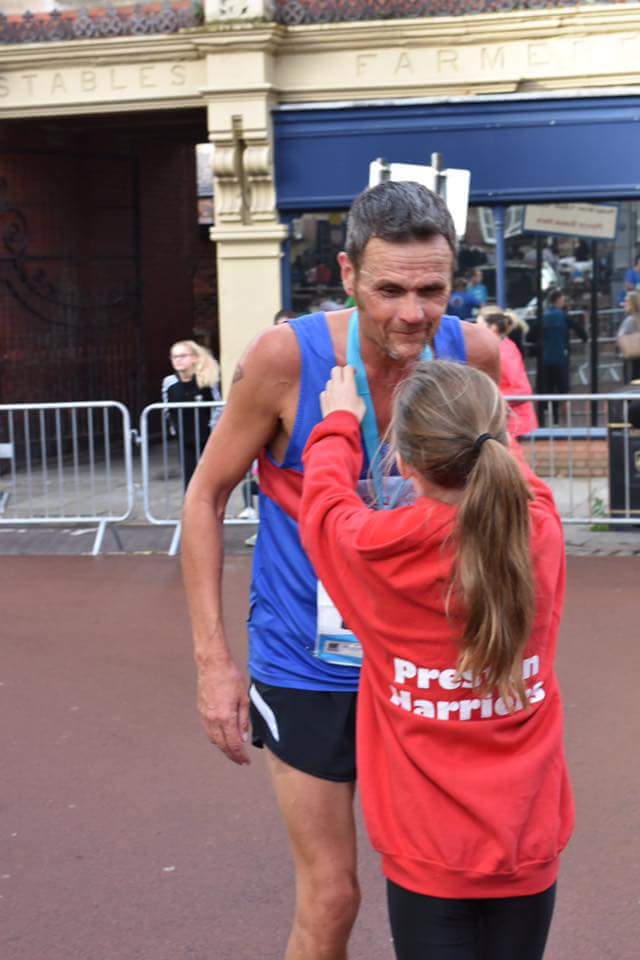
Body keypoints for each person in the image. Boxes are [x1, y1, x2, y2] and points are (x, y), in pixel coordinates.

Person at [181, 180, 500, 960]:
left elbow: (504, 514)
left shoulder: (475, 354)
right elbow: (205, 496)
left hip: (424, 668)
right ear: (349, 275)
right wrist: (213, 662)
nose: (412, 314)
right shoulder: (288, 357)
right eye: (389, 288)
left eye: (432, 289)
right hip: (307, 662)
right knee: (331, 897)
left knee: (448, 886)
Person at [298, 361, 573, 960]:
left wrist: (340, 423)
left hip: (426, 847)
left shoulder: (374, 550)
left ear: (403, 459)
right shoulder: (541, 528)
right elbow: (508, 469)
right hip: (527, 834)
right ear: (499, 441)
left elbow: (321, 507)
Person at [162, 340, 221, 490]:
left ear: (194, 358)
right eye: (174, 357)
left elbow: (218, 406)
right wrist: (174, 428)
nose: (178, 360)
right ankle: (191, 510)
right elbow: (167, 408)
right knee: (189, 478)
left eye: (182, 356)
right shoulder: (169, 382)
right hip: (184, 438)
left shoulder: (206, 380)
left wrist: (213, 428)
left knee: (208, 479)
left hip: (206, 437)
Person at [528, 289, 587, 425]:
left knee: (545, 392)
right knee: (563, 392)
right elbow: (580, 331)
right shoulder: (563, 316)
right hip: (561, 358)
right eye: (563, 300)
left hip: (544, 360)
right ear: (558, 300)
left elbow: (530, 336)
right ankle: (563, 423)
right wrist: (584, 338)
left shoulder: (542, 317)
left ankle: (542, 423)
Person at [480, 309, 538, 438]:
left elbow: (522, 389)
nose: (476, 329)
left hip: (512, 421)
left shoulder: (505, 352)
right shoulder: (502, 347)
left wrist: (492, 399)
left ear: (493, 328)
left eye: (480, 325)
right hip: (507, 419)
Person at [616, 291, 640, 382]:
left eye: (626, 301)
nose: (624, 304)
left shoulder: (630, 320)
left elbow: (621, 336)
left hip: (632, 358)